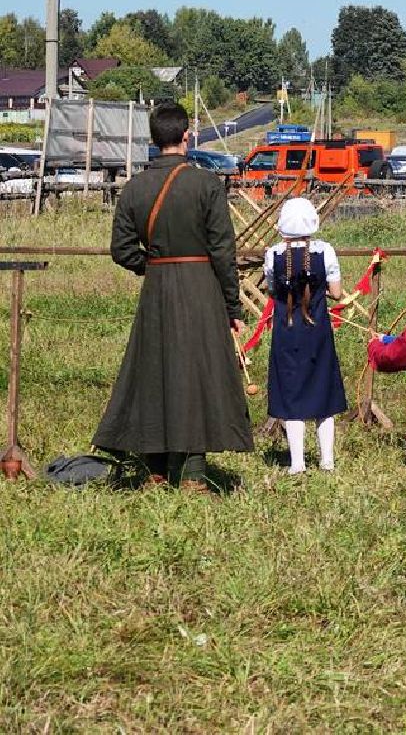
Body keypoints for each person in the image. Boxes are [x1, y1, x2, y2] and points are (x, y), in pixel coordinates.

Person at [95, 101, 251, 492]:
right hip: (200, 288)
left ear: (153, 139)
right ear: (187, 136)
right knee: (195, 375)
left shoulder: (134, 188)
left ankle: (156, 473)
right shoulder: (207, 185)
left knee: (155, 373)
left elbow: (122, 249)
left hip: (157, 288)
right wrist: (233, 306)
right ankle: (193, 475)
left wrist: (152, 267)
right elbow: (223, 252)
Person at [264, 197, 346, 475]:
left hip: (287, 334)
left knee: (291, 395)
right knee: (323, 392)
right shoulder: (326, 251)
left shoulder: (273, 254)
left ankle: (297, 463)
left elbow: (272, 289)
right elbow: (336, 292)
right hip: (318, 332)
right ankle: (328, 461)